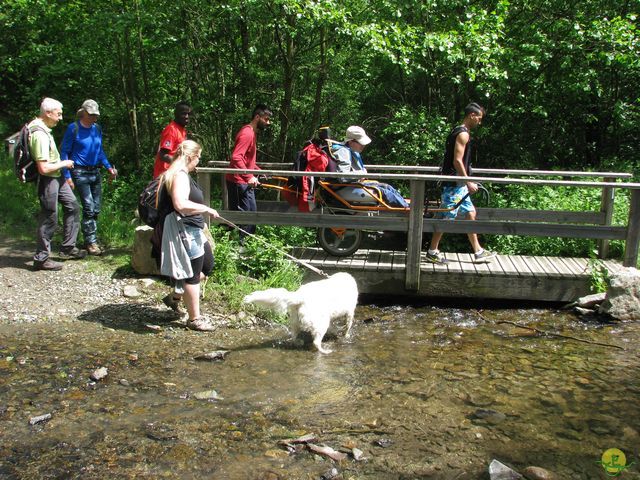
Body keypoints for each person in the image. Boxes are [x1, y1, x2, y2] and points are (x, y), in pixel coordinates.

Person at [158, 140, 219, 331]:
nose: (198, 161)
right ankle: (194, 319)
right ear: (190, 156)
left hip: (194, 229)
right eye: (198, 157)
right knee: (192, 274)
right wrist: (205, 208)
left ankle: (175, 296)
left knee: (207, 264)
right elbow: (180, 204)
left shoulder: (180, 174)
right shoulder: (179, 176)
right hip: (185, 229)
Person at [426, 102, 495, 264]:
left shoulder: (457, 130)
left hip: (459, 184)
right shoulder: (462, 134)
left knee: (470, 213)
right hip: (454, 183)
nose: (480, 121)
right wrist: (468, 181)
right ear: (471, 115)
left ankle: (478, 252)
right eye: (479, 118)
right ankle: (432, 251)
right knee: (447, 217)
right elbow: (457, 161)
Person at [29, 97, 86, 271]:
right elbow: (43, 168)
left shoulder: (44, 129)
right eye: (58, 114)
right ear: (47, 113)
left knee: (73, 206)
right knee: (49, 216)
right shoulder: (39, 134)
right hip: (49, 179)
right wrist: (65, 163)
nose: (61, 118)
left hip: (57, 177)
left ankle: (68, 248)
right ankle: (41, 258)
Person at [60, 99, 117, 256]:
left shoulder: (97, 128)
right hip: (79, 172)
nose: (94, 118)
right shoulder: (74, 128)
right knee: (88, 206)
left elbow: (99, 151)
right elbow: (64, 152)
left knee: (96, 207)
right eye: (91, 115)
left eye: (96, 115)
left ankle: (90, 238)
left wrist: (109, 167)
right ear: (84, 113)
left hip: (95, 172)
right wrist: (67, 176)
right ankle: (90, 242)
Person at [225, 104, 272, 243]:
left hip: (243, 180)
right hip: (238, 181)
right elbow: (236, 157)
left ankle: (245, 247)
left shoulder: (251, 132)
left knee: (251, 216)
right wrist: (249, 176)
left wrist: (257, 171)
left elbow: (246, 159)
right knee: (245, 219)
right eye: (266, 119)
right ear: (257, 117)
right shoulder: (247, 133)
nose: (268, 123)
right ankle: (241, 250)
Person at [332, 126, 409, 208]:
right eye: (360, 143)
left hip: (353, 184)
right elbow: (342, 177)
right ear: (351, 142)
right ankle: (407, 209)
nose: (363, 145)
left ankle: (407, 206)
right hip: (343, 188)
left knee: (387, 187)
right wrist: (361, 173)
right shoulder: (343, 152)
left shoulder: (351, 150)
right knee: (385, 192)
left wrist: (361, 174)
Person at [152, 101, 192, 179]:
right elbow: (163, 155)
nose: (187, 116)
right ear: (176, 115)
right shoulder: (171, 130)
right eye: (183, 113)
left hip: (175, 173)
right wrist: (180, 163)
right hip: (165, 175)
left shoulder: (182, 130)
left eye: (188, 114)